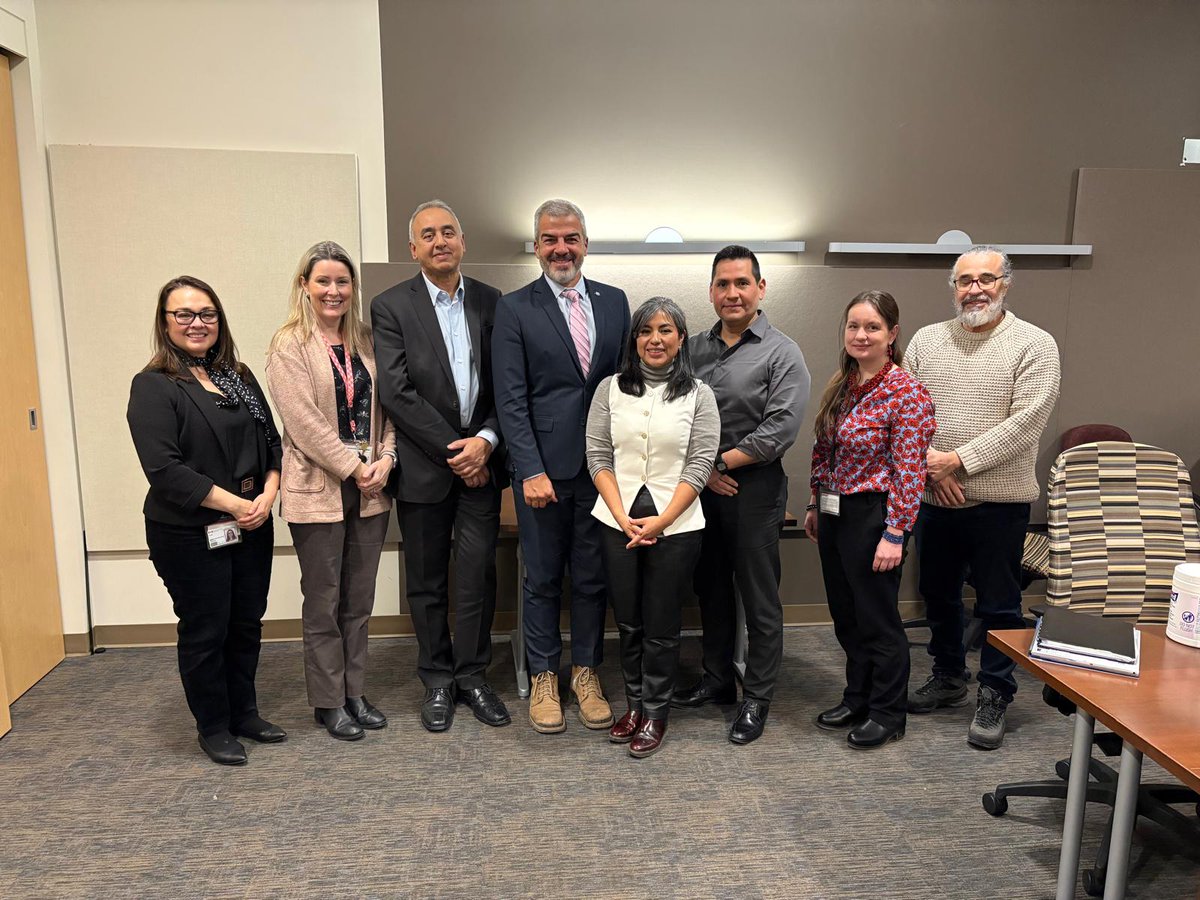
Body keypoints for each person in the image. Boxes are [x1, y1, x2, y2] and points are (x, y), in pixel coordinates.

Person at [904, 245, 1061, 749]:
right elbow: (906, 415)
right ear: (953, 287)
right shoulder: (927, 341)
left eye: (986, 279)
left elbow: (1027, 422)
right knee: (939, 593)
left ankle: (996, 690)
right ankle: (950, 675)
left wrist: (959, 461)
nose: (975, 289)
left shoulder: (1035, 345)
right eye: (965, 280)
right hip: (934, 496)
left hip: (1000, 502)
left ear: (1005, 284)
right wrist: (932, 466)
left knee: (999, 603)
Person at [127, 275, 284, 766]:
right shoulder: (153, 386)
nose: (197, 323)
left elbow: (274, 444)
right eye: (185, 314)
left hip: (252, 523)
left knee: (245, 623)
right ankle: (213, 725)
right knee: (205, 628)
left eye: (207, 314)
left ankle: (244, 713)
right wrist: (236, 505)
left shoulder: (237, 375)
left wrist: (267, 496)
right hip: (189, 532)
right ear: (166, 322)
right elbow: (165, 470)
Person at [492, 199, 631, 734]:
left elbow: (626, 387)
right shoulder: (515, 308)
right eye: (550, 239)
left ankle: (587, 672)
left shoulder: (616, 303)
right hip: (543, 473)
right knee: (544, 578)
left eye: (570, 238)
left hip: (601, 471)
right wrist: (528, 468)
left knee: (593, 579)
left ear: (585, 244)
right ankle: (545, 675)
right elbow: (511, 397)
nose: (561, 248)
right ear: (536, 247)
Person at [371, 201, 510, 732]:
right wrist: (460, 451)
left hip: (483, 464)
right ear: (413, 249)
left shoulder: (494, 303)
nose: (439, 241)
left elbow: (508, 386)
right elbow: (397, 392)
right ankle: (435, 679)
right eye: (427, 235)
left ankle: (473, 676)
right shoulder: (390, 307)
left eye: (447, 231)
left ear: (462, 240)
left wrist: (487, 441)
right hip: (429, 470)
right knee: (427, 582)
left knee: (477, 576)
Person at [672, 245, 810, 745]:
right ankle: (716, 682)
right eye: (723, 284)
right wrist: (702, 473)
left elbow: (780, 430)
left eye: (742, 283)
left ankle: (757, 697)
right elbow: (675, 416)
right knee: (709, 588)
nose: (732, 293)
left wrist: (717, 463)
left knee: (759, 599)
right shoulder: (694, 350)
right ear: (711, 291)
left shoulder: (782, 352)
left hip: (754, 490)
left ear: (760, 289)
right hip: (701, 489)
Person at [266, 241, 395, 741]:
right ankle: (328, 701)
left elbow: (387, 412)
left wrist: (386, 458)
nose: (334, 291)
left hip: (369, 489)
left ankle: (355, 691)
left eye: (343, 282)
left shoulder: (365, 340)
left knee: (358, 601)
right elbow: (301, 421)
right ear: (305, 285)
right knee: (323, 599)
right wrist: (352, 466)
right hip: (318, 486)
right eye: (323, 281)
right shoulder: (289, 345)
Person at [586, 297, 719, 757]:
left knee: (662, 624)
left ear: (681, 338)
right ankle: (634, 705)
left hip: (677, 524)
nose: (655, 339)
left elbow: (700, 464)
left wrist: (661, 520)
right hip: (615, 519)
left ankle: (656, 713)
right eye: (645, 331)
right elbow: (598, 456)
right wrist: (622, 516)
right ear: (635, 340)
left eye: (665, 330)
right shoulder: (609, 389)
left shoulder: (699, 394)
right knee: (628, 622)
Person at [805, 291, 935, 749]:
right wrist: (813, 503)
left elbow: (910, 471)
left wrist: (895, 532)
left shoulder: (907, 393)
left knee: (878, 620)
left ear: (892, 334)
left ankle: (887, 712)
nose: (861, 335)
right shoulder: (844, 384)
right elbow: (825, 449)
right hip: (834, 512)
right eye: (854, 326)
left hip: (875, 517)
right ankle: (857, 696)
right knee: (846, 616)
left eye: (872, 327)